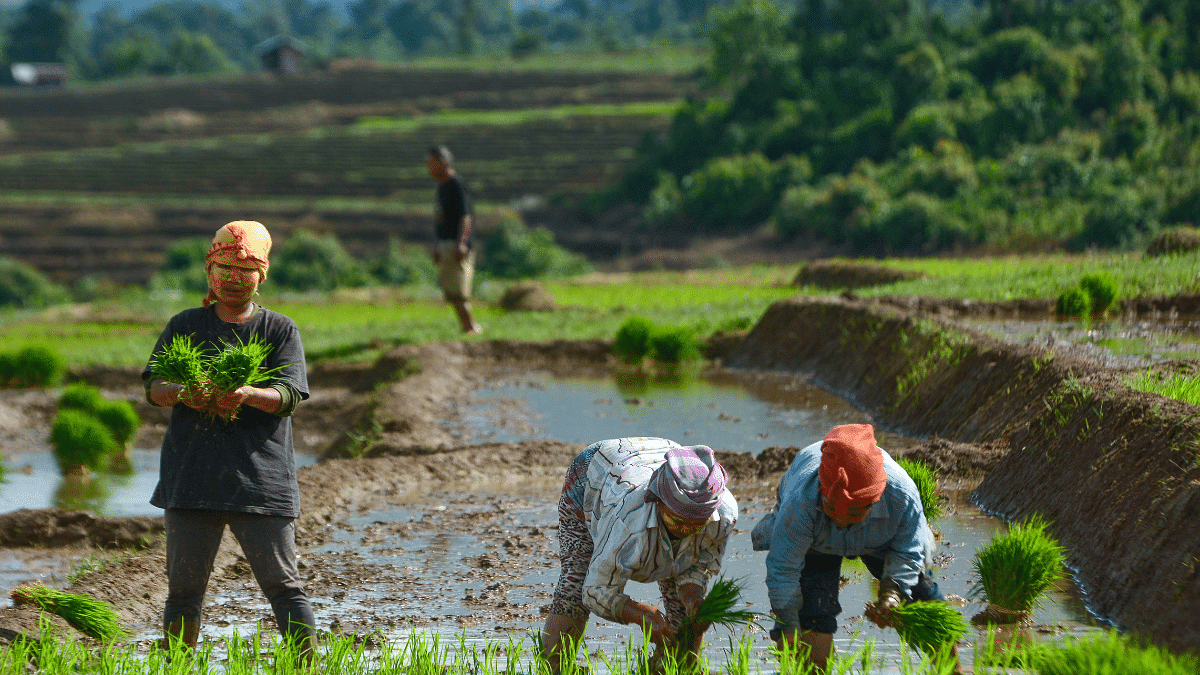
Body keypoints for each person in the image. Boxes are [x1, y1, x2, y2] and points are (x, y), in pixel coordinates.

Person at [142, 220, 317, 658]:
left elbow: (290, 395)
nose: (233, 278)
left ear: (262, 276)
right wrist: (184, 393)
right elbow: (154, 387)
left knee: (283, 585)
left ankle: (307, 664)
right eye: (224, 267)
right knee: (183, 591)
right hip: (191, 478)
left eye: (245, 269)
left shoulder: (279, 330)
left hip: (259, 481)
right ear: (209, 272)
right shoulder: (184, 325)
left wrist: (247, 395)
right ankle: (178, 665)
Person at [755, 424, 951, 672]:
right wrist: (788, 621)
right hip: (816, 544)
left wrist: (892, 593)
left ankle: (952, 669)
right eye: (834, 511)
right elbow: (784, 568)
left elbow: (908, 553)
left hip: (880, 538)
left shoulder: (902, 495)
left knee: (922, 596)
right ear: (823, 492)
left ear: (874, 498)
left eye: (854, 513)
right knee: (811, 617)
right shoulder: (800, 502)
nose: (842, 522)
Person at [540, 437, 738, 673]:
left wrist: (693, 600)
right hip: (594, 472)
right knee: (576, 582)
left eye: (696, 525)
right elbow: (595, 591)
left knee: (686, 619)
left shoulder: (723, 514)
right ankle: (554, 667)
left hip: (666, 458)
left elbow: (695, 566)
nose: (686, 531)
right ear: (658, 501)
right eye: (678, 522)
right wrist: (640, 613)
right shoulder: (628, 520)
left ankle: (668, 668)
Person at [426, 144, 481, 335]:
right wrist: (438, 246)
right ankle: (467, 326)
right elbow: (442, 219)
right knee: (451, 290)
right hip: (446, 243)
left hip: (455, 244)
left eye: (431, 162)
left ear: (443, 163)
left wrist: (461, 242)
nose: (428, 167)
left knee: (458, 291)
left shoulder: (456, 185)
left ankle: (470, 327)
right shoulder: (442, 187)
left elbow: (465, 216)